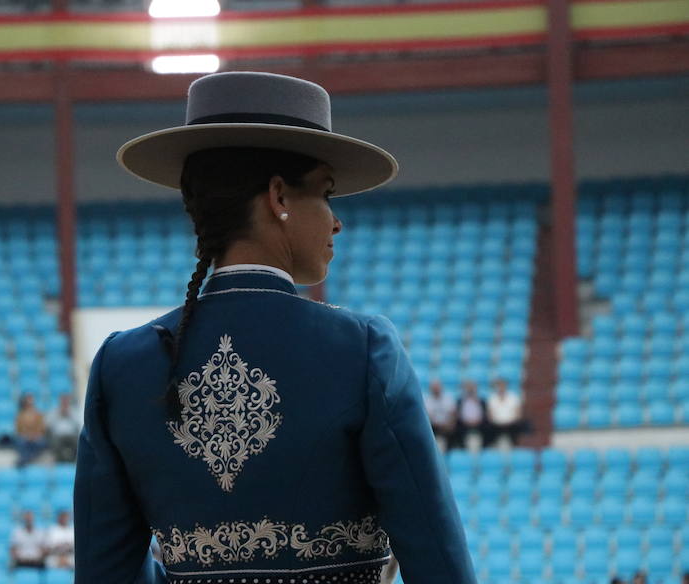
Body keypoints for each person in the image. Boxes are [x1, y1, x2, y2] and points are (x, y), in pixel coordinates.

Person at [74, 72, 476, 583]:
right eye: (327, 194)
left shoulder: (119, 365)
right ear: (279, 197)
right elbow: (437, 558)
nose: (336, 222)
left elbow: (104, 573)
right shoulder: (362, 349)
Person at [486, 379, 523, 449]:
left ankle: (515, 447)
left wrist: (511, 421)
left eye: (503, 385)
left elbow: (518, 413)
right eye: (499, 386)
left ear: (506, 386)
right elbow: (489, 414)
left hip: (511, 423)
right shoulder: (492, 398)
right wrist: (496, 422)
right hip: (496, 424)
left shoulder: (513, 397)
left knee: (517, 427)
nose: (501, 387)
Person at [14, 393, 46, 468]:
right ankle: (27, 458)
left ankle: (26, 459)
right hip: (25, 437)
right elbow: (19, 429)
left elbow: (41, 428)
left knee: (41, 442)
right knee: (21, 442)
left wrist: (35, 435)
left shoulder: (38, 415)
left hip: (36, 437)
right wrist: (27, 435)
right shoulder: (20, 415)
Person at [45, 395, 81, 463]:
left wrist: (70, 416)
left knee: (78, 442)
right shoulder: (54, 412)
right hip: (58, 436)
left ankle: (74, 460)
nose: (64, 403)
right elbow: (48, 425)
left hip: (71, 435)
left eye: (66, 401)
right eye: (63, 401)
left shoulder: (74, 412)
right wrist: (58, 415)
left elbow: (78, 425)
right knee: (55, 443)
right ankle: (59, 460)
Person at [424, 381, 457, 453]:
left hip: (447, 426)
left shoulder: (448, 398)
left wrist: (448, 424)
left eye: (437, 387)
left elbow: (453, 414)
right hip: (434, 427)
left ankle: (450, 451)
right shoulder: (427, 400)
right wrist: (440, 425)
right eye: (434, 388)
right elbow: (429, 417)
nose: (436, 390)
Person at [455, 381, 488, 452]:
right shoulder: (460, 401)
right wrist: (467, 422)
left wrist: (477, 421)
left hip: (479, 425)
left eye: (472, 388)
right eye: (468, 388)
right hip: (464, 426)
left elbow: (485, 415)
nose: (470, 390)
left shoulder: (482, 401)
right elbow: (458, 415)